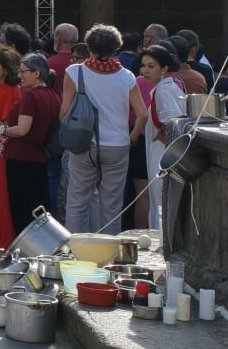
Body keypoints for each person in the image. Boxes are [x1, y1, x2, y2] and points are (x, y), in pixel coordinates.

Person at [58, 24, 145, 236]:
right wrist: (132, 137)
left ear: (89, 46)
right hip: (117, 145)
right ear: (116, 48)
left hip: (84, 144)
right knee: (112, 206)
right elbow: (142, 114)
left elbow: (64, 113)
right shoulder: (127, 76)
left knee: (77, 201)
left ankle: (77, 250)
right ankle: (108, 250)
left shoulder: (74, 72)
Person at [0, 51, 60, 245]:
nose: (19, 75)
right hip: (38, 158)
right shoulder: (53, 95)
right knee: (38, 210)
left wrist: (3, 130)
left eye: (23, 71)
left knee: (22, 212)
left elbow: (22, 130)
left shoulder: (32, 96)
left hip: (22, 159)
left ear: (36, 73)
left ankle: (24, 252)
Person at [135, 43, 186, 231]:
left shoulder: (163, 90)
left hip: (163, 154)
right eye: (143, 66)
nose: (145, 71)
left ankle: (162, 240)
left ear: (164, 68)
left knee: (160, 203)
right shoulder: (169, 87)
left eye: (151, 66)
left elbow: (175, 121)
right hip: (165, 153)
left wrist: (163, 133)